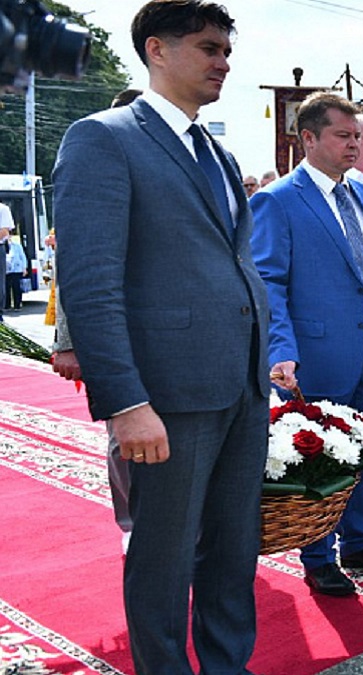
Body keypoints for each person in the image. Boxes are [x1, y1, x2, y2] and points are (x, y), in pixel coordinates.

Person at [53, 2, 270, 673]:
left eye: (227, 50)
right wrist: (124, 402)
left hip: (240, 384)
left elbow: (235, 264)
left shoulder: (219, 151)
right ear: (157, 49)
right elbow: (91, 283)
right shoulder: (104, 138)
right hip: (167, 393)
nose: (223, 63)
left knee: (234, 552)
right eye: (209, 48)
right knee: (165, 557)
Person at [250, 92, 363, 596]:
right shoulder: (278, 200)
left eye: (358, 137)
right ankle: (318, 556)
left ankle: (361, 541)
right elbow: (268, 281)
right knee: (321, 458)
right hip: (316, 355)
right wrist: (280, 349)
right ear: (309, 138)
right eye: (344, 136)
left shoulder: (360, 193)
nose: (354, 145)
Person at [49, 87, 145, 553]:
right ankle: (131, 523)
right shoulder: (96, 157)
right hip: (113, 328)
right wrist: (68, 342)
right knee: (122, 433)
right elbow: (76, 266)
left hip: (166, 328)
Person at [3, 230, 24, 311]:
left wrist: (24, 268)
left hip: (16, 269)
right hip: (6, 270)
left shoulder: (17, 246)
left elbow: (22, 257)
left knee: (16, 288)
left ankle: (17, 305)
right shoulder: (2, 246)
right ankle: (7, 305)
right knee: (6, 288)